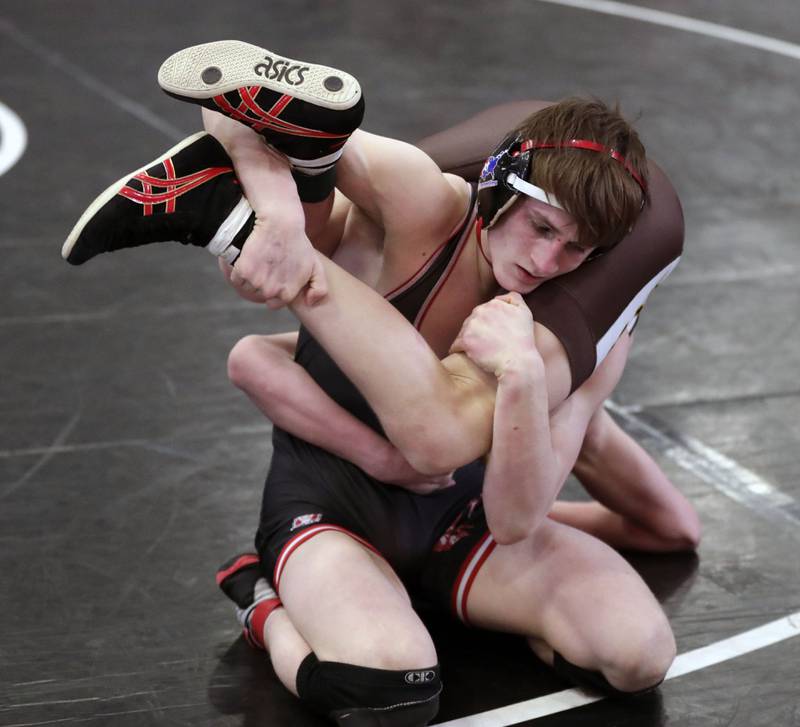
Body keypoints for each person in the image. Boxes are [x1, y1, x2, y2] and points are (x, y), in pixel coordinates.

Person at [63, 40, 700, 726]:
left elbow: (518, 518)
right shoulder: (427, 203)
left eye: (575, 248)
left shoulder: (574, 333)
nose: (548, 260)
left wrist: (518, 378)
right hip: (335, 508)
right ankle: (264, 601)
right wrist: (277, 222)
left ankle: (446, 601)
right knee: (391, 689)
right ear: (502, 189)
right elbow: (238, 110)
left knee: (637, 656)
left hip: (465, 525)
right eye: (542, 227)